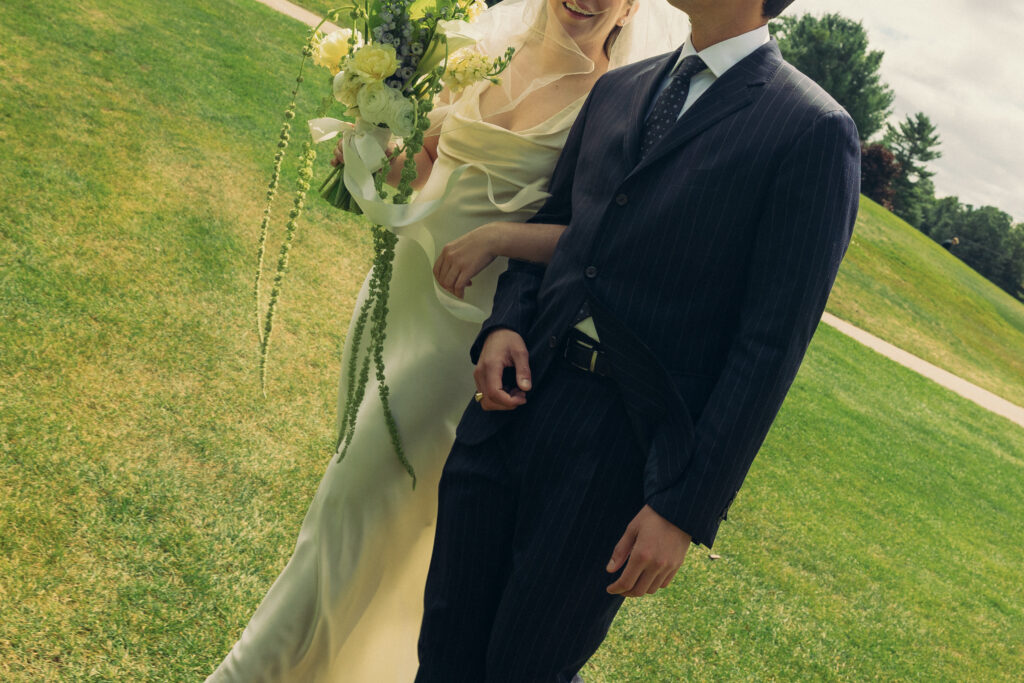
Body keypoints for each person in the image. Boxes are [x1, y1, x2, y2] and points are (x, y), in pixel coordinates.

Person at [205, 1, 689, 681]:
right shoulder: (484, 55)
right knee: (376, 510)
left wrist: (497, 237)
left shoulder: (619, 98)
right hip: (396, 297)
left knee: (353, 500)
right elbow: (430, 164)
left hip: (471, 332)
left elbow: (598, 240)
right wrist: (375, 152)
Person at [415, 0, 862, 679]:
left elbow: (769, 344)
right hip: (510, 410)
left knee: (523, 668)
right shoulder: (621, 87)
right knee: (442, 655)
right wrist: (507, 320)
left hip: (616, 454)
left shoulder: (812, 129)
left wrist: (682, 507)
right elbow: (559, 221)